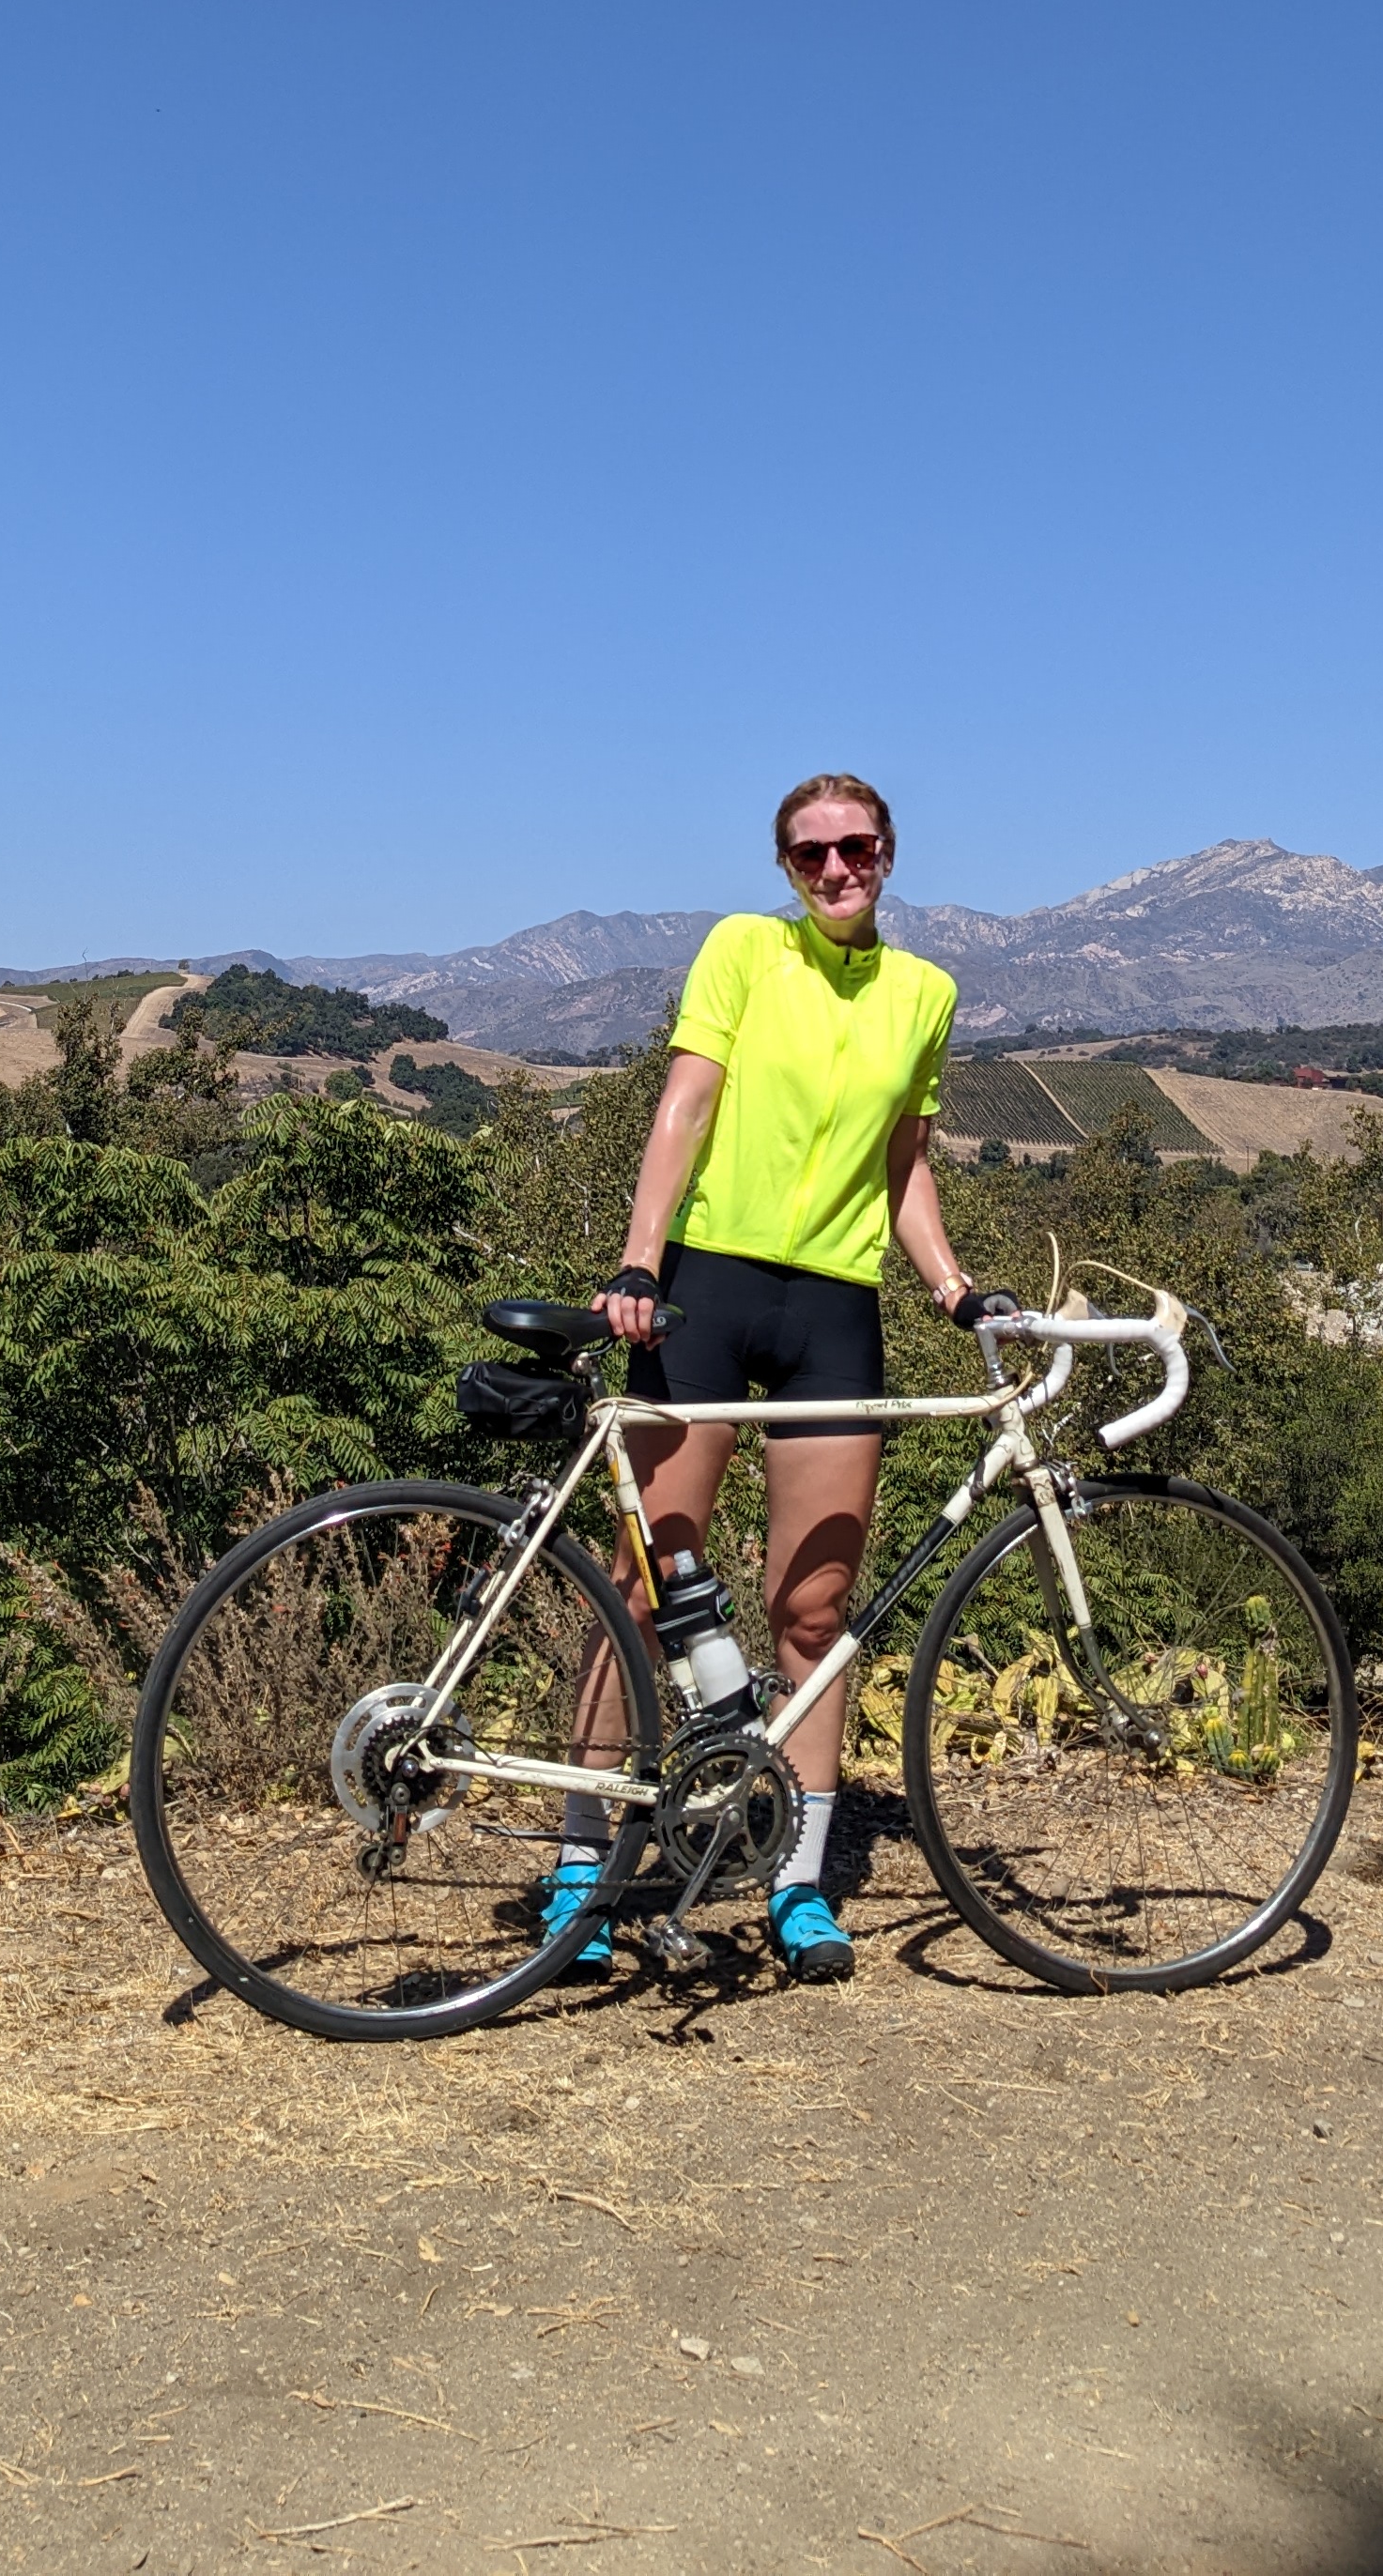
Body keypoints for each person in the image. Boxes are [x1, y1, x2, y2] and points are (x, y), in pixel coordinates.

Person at [547, 772, 1014, 1986]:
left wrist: (953, 1286)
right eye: (811, 855)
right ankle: (580, 1862)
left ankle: (799, 1882)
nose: (836, 870)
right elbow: (684, 1106)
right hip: (705, 1291)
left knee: (812, 1612)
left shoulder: (926, 993)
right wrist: (640, 1259)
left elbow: (904, 1162)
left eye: (855, 848)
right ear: (785, 870)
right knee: (643, 1584)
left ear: (891, 852)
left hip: (832, 1311)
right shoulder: (745, 952)